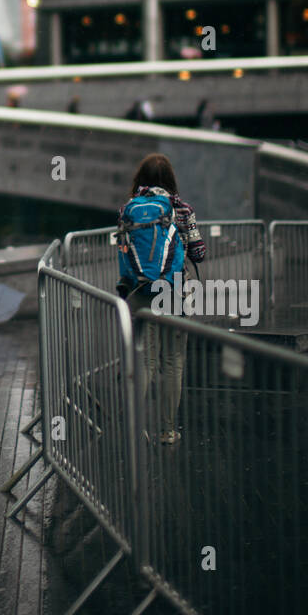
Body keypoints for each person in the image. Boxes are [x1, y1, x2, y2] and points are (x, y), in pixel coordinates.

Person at [115, 153, 205, 444]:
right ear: (170, 179)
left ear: (140, 178)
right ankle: (167, 430)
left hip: (141, 292)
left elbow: (124, 248)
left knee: (146, 360)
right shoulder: (182, 208)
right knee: (173, 360)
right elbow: (199, 253)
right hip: (175, 291)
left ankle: (132, 426)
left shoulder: (128, 209)